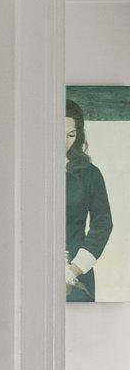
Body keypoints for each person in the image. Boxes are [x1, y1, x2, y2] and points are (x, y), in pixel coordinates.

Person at [69, 97, 113, 302]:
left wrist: (75, 268)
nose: (64, 142)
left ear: (78, 135)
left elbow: (103, 224)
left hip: (76, 272)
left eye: (71, 135)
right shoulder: (29, 169)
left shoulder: (89, 174)